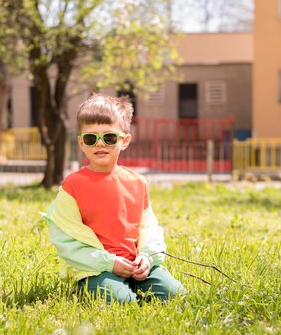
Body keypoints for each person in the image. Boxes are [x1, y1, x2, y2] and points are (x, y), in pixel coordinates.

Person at [45, 93, 184, 304]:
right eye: (91, 138)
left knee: (174, 294)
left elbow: (149, 228)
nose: (100, 144)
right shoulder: (73, 185)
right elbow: (66, 239)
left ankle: (135, 282)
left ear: (124, 140)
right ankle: (90, 288)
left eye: (109, 138)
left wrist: (147, 257)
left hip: (135, 265)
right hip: (94, 268)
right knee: (122, 302)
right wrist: (108, 263)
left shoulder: (137, 183)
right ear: (81, 143)